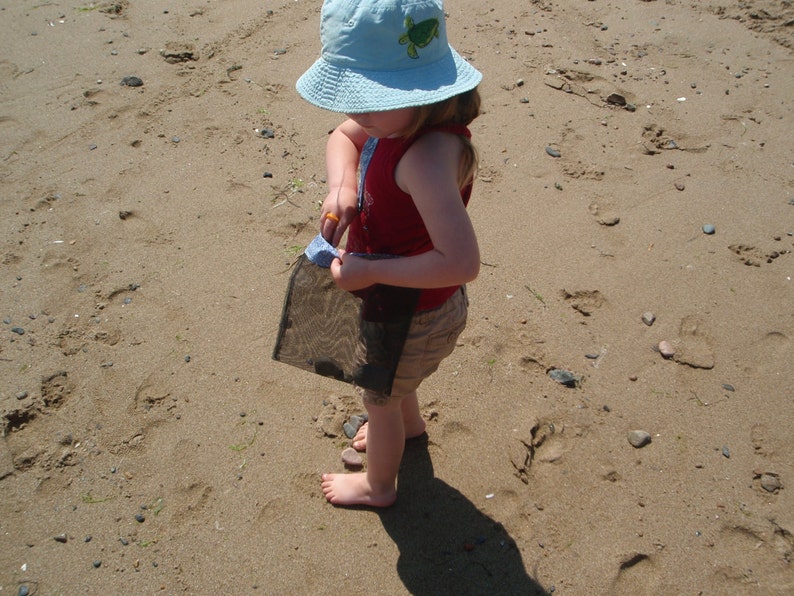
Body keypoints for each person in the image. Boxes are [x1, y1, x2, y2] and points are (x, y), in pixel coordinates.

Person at [295, 0, 482, 507]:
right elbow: (342, 137)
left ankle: (378, 485)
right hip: (397, 299)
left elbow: (463, 262)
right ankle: (410, 423)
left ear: (419, 93)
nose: (354, 112)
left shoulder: (424, 158)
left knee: (377, 400)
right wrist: (343, 186)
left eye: (367, 99)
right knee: (396, 384)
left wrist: (366, 269)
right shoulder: (394, 121)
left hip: (418, 311)